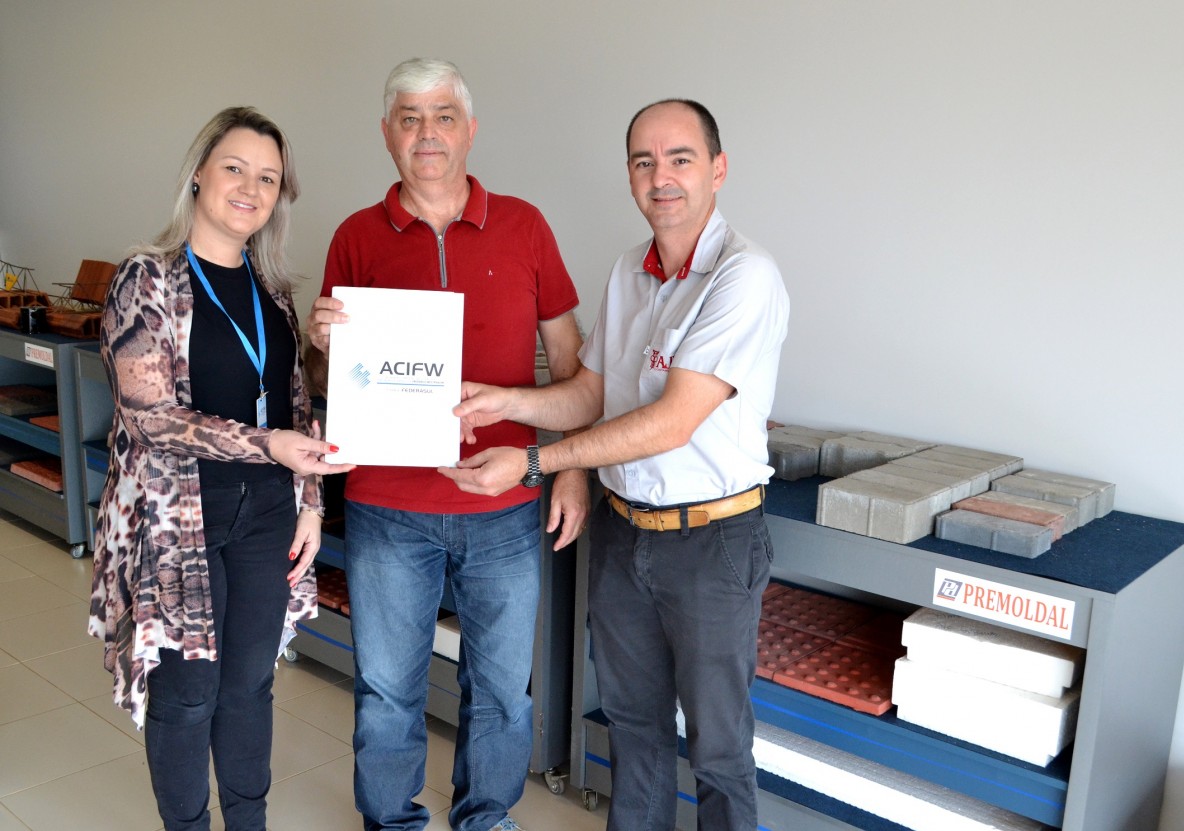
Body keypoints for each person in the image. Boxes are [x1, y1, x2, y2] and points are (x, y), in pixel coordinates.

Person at [441, 99, 790, 831]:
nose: (661, 177)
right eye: (643, 162)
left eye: (680, 159)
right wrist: (504, 400)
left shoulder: (745, 275)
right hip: (625, 532)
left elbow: (671, 421)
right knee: (633, 729)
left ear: (718, 169)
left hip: (711, 542)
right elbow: (591, 392)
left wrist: (536, 460)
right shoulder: (630, 271)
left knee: (719, 747)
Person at [304, 58, 588, 831]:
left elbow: (572, 364)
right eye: (409, 118)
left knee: (501, 688)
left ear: (469, 130)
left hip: (504, 504)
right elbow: (326, 381)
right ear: (387, 134)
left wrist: (570, 470)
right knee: (387, 687)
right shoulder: (356, 236)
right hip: (388, 507)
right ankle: (391, 820)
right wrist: (321, 344)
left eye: (442, 116)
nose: (426, 133)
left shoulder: (525, 226)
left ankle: (485, 816)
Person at [87, 106, 353, 831]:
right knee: (188, 695)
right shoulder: (145, 278)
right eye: (235, 168)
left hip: (266, 514)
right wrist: (269, 447)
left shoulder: (274, 290)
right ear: (200, 174)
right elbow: (150, 417)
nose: (250, 188)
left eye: (267, 178)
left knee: (248, 688)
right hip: (179, 520)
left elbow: (296, 406)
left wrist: (309, 502)